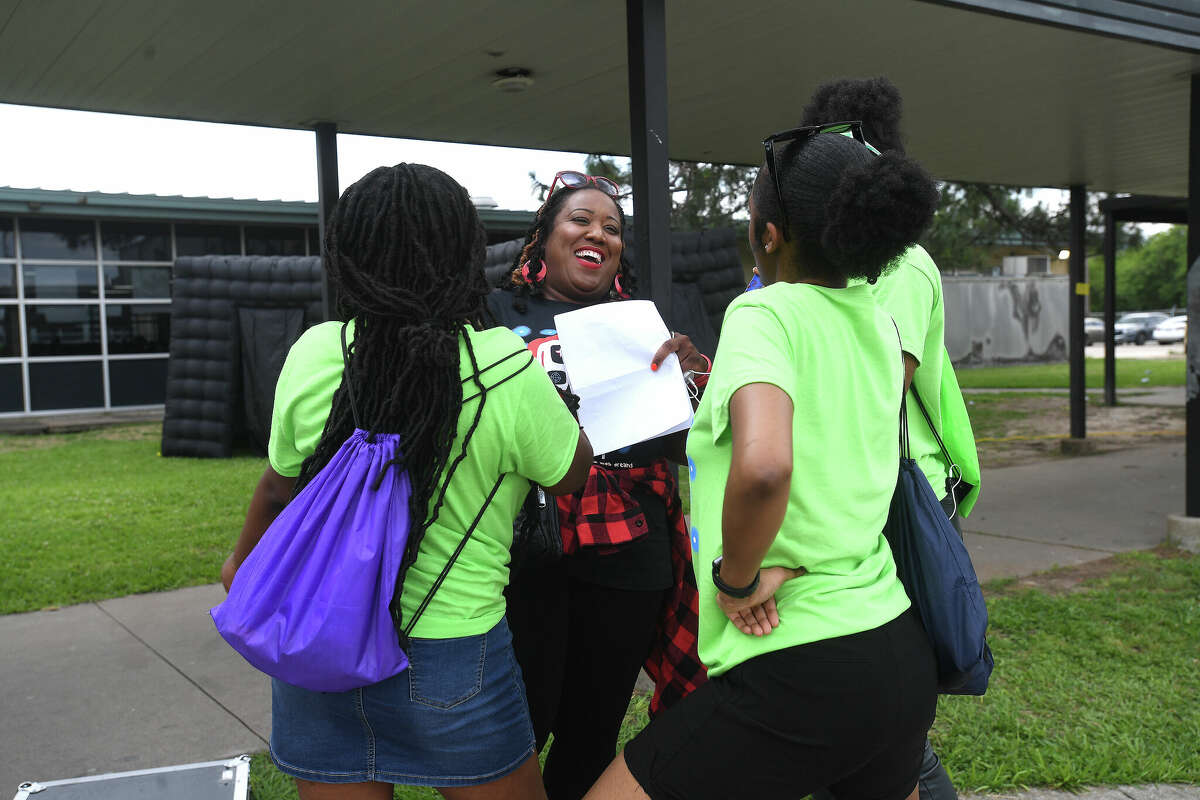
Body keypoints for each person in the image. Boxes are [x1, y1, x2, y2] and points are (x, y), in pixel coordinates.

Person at [585, 127, 941, 800]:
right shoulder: (878, 321)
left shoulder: (763, 313)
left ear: (768, 233)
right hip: (893, 646)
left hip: (800, 664)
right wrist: (713, 379)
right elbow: (833, 437)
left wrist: (738, 576)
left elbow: (766, 467)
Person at [220, 163, 592, 800]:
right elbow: (570, 477)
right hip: (452, 656)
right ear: (461, 255)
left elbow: (280, 487)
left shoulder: (315, 351)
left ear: (351, 255)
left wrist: (239, 562)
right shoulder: (502, 363)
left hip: (317, 642)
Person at [487, 170, 709, 800]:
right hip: (529, 544)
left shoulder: (638, 324)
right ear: (546, 235)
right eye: (580, 219)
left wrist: (689, 380)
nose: (598, 234)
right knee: (521, 723)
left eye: (612, 228)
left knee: (591, 731)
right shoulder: (496, 316)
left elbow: (688, 441)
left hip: (630, 548)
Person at [801, 76, 983, 800]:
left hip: (898, 493)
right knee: (864, 714)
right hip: (859, 491)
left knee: (888, 722)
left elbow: (879, 389)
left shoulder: (902, 265)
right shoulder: (836, 269)